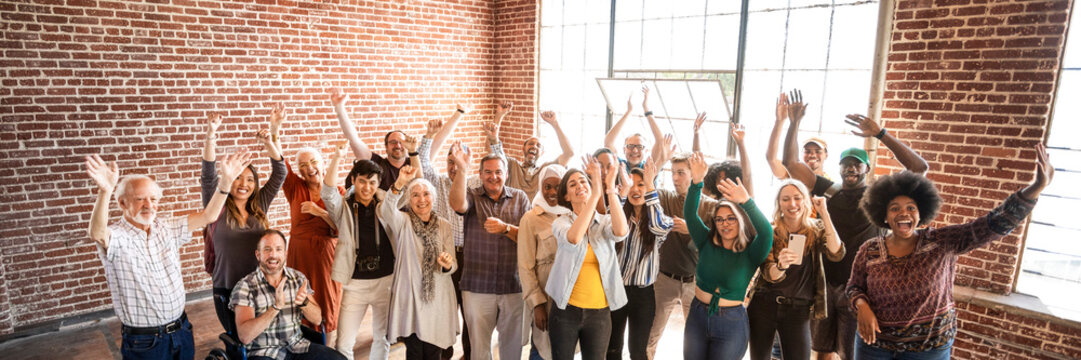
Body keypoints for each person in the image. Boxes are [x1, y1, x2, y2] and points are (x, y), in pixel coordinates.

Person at [849, 144, 1053, 359]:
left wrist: (1036, 188)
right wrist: (861, 305)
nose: (903, 213)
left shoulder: (942, 242)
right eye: (894, 208)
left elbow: (994, 224)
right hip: (874, 345)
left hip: (929, 348)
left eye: (911, 208)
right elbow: (854, 287)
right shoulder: (869, 249)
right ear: (883, 216)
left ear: (921, 214)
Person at [781, 89, 929, 360]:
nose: (851, 168)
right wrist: (794, 122)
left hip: (861, 289)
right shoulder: (829, 190)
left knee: (852, 353)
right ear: (839, 168)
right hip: (825, 282)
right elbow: (790, 162)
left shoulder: (879, 195)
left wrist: (880, 134)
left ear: (866, 169)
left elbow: (919, 168)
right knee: (821, 350)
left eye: (857, 165)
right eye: (846, 164)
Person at [85, 151, 249, 360]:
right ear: (122, 203)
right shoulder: (117, 236)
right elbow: (97, 233)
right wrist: (105, 192)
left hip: (181, 330)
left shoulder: (165, 227)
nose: (149, 205)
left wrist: (225, 182)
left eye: (153, 199)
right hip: (145, 342)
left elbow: (209, 216)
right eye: (140, 199)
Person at [417, 113, 502, 360]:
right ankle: (443, 353)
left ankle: (469, 354)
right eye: (450, 162)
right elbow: (423, 163)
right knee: (444, 309)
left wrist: (494, 140)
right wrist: (428, 136)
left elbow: (500, 167)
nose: (454, 166)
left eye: (459, 161)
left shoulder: (477, 183)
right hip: (445, 255)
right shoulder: (439, 182)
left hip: (474, 257)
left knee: (471, 312)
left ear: (468, 160)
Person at [201, 112, 287, 337]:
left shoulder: (260, 203)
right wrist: (211, 134)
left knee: (262, 338)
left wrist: (270, 142)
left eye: (250, 180)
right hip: (227, 288)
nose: (244, 184)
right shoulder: (216, 204)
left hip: (259, 286)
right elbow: (208, 173)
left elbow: (280, 172)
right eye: (238, 177)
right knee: (239, 339)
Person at [682, 152, 773, 360]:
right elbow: (690, 215)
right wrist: (696, 182)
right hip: (697, 316)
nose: (725, 223)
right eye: (720, 219)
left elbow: (767, 232)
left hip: (730, 323)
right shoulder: (706, 241)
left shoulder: (751, 253)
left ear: (740, 220)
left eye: (731, 218)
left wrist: (747, 201)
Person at [448, 144, 532, 360]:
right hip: (477, 286)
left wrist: (506, 228)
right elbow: (457, 204)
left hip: (513, 285)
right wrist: (461, 169)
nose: (493, 177)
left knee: (512, 346)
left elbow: (530, 237)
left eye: (498, 172)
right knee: (479, 347)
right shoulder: (472, 196)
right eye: (488, 172)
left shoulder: (520, 198)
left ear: (505, 174)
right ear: (480, 174)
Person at [747, 180, 844, 360]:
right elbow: (768, 273)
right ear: (779, 204)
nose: (792, 204)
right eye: (786, 199)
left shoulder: (816, 230)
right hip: (764, 305)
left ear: (805, 201)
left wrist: (824, 213)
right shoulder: (770, 231)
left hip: (798, 310)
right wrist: (781, 266)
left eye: (797, 198)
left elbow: (836, 252)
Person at [275, 103, 345, 346]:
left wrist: (318, 212)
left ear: (323, 163)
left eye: (312, 162)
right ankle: (303, 345)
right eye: (303, 165)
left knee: (328, 302)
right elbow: (278, 160)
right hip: (299, 253)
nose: (308, 168)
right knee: (299, 299)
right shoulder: (295, 186)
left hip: (326, 255)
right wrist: (276, 129)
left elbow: (342, 227)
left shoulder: (339, 190)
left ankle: (328, 350)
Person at [546, 157, 630, 360]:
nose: (580, 186)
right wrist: (594, 194)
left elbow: (621, 232)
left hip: (599, 312)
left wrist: (609, 188)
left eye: (583, 181)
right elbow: (574, 238)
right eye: (572, 184)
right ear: (566, 195)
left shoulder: (605, 222)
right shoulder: (561, 223)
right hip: (565, 311)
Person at [321, 145, 395, 360]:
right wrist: (337, 157)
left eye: (372, 182)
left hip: (386, 281)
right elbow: (327, 192)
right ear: (353, 180)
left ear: (378, 183)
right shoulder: (342, 207)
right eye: (362, 181)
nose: (366, 187)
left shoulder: (387, 204)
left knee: (383, 338)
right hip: (355, 284)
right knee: (344, 343)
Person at [381, 165, 460, 360]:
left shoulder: (444, 225)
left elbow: (453, 265)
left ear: (433, 198)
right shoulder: (403, 222)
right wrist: (400, 183)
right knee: (415, 351)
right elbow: (386, 210)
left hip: (438, 297)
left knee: (434, 350)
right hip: (411, 297)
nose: (422, 199)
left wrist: (447, 264)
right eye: (415, 195)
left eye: (426, 194)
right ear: (409, 200)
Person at [231, 230, 347, 360]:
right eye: (267, 249)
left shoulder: (297, 278)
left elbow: (317, 320)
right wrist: (275, 307)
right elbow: (245, 336)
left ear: (285, 254)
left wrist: (304, 303)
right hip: (264, 353)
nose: (273, 255)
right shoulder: (245, 286)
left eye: (278, 249)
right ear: (258, 255)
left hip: (298, 347)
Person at [607, 159, 674, 360]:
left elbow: (659, 227)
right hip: (615, 289)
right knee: (612, 348)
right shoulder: (619, 216)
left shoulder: (661, 219)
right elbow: (607, 224)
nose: (636, 189)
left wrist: (651, 185)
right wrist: (621, 194)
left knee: (638, 351)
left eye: (641, 184)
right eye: (631, 184)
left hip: (643, 295)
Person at [517, 164, 569, 360]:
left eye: (558, 186)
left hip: (572, 294)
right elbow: (525, 266)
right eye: (547, 186)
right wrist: (537, 304)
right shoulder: (531, 219)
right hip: (545, 293)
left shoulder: (574, 214)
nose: (553, 192)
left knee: (566, 348)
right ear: (540, 187)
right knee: (542, 347)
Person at [331, 88, 427, 190]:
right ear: (386, 147)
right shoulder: (377, 164)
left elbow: (420, 182)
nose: (398, 146)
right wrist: (340, 109)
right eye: (393, 142)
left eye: (401, 142)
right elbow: (354, 140)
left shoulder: (414, 162)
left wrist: (413, 151)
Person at [488, 103, 575, 196]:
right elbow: (493, 148)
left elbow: (569, 153)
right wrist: (499, 115)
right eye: (531, 144)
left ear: (542, 153)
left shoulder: (546, 170)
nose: (534, 146)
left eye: (538, 146)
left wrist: (555, 124)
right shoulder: (512, 165)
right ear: (523, 148)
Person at [765, 92, 830, 180]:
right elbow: (771, 159)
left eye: (818, 151)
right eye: (807, 151)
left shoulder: (830, 183)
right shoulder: (791, 175)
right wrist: (779, 121)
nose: (812, 155)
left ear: (826, 155)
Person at [604, 86, 667, 173]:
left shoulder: (649, 167)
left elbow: (660, 141)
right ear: (624, 149)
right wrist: (628, 111)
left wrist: (646, 109)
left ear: (646, 151)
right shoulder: (619, 165)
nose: (635, 150)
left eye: (639, 146)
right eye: (630, 146)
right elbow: (608, 142)